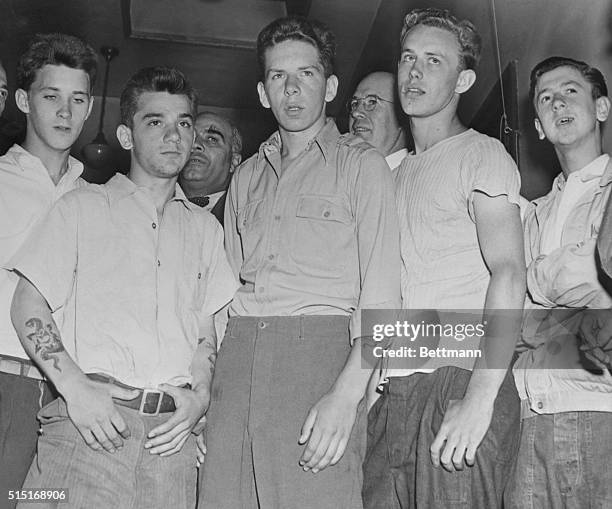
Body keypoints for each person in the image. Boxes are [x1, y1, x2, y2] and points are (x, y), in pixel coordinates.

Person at [8, 66, 237, 509]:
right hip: (87, 431)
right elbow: (28, 305)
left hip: (170, 448)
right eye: (156, 122)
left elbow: (207, 334)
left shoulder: (207, 230)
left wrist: (200, 399)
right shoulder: (82, 206)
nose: (174, 136)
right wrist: (74, 389)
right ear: (126, 136)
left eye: (184, 124)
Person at [199, 15, 400, 509]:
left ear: (329, 86)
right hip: (238, 362)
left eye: (306, 74)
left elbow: (383, 299)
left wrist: (346, 397)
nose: (292, 90)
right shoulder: (245, 177)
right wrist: (206, 395)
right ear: (264, 93)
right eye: (277, 77)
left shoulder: (363, 166)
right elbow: (222, 299)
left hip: (319, 361)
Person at [362, 8, 526, 508]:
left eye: (434, 60)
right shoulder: (393, 176)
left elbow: (510, 271)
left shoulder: (482, 154)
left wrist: (479, 399)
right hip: (394, 390)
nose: (414, 72)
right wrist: (371, 397)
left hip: (460, 380)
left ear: (464, 79)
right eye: (408, 58)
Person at [506, 56, 612, 508]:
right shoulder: (532, 214)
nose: (557, 102)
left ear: (601, 108)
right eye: (546, 98)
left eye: (570, 91)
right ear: (537, 127)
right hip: (528, 420)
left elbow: (593, 278)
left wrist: (532, 282)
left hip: (598, 412)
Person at [0, 34, 96, 506]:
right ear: (22, 100)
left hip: (68, 400)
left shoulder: (95, 199)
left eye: (77, 99)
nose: (65, 112)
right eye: (50, 96)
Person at [179, 110, 242, 224]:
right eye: (191, 137)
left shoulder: (243, 215)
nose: (195, 144)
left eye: (212, 139)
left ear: (233, 161)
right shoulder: (151, 205)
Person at [348, 71, 408, 170]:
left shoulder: (415, 180)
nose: (355, 113)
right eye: (354, 103)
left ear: (401, 114)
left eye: (372, 102)